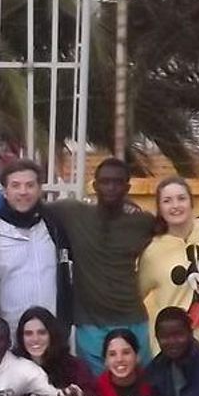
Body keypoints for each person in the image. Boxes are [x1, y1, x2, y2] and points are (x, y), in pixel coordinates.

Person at [47, 159, 156, 373]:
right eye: (105, 182)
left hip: (133, 319)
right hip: (90, 324)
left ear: (127, 187)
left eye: (117, 182)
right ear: (94, 185)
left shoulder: (143, 223)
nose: (111, 187)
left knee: (140, 387)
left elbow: (173, 225)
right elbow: (27, 206)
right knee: (98, 392)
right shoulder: (71, 212)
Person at [0, 158, 75, 330]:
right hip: (7, 336)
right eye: (15, 185)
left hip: (52, 334)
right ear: (4, 191)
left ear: (40, 189)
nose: (23, 192)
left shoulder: (55, 225)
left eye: (30, 185)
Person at [138, 176, 199, 353]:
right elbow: (137, 294)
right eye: (167, 201)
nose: (175, 206)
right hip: (171, 348)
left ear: (192, 202)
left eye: (181, 198)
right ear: (160, 208)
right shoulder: (152, 251)